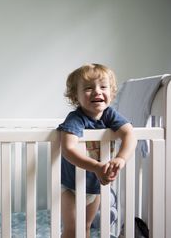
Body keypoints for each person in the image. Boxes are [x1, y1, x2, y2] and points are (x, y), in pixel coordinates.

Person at [57, 63, 137, 238]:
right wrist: (96, 166)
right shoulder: (76, 118)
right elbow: (68, 148)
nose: (97, 91)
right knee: (72, 229)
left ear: (112, 92)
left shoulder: (110, 115)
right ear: (75, 96)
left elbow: (129, 134)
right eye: (88, 88)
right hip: (71, 186)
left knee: (85, 227)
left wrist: (121, 158)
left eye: (103, 87)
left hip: (94, 186)